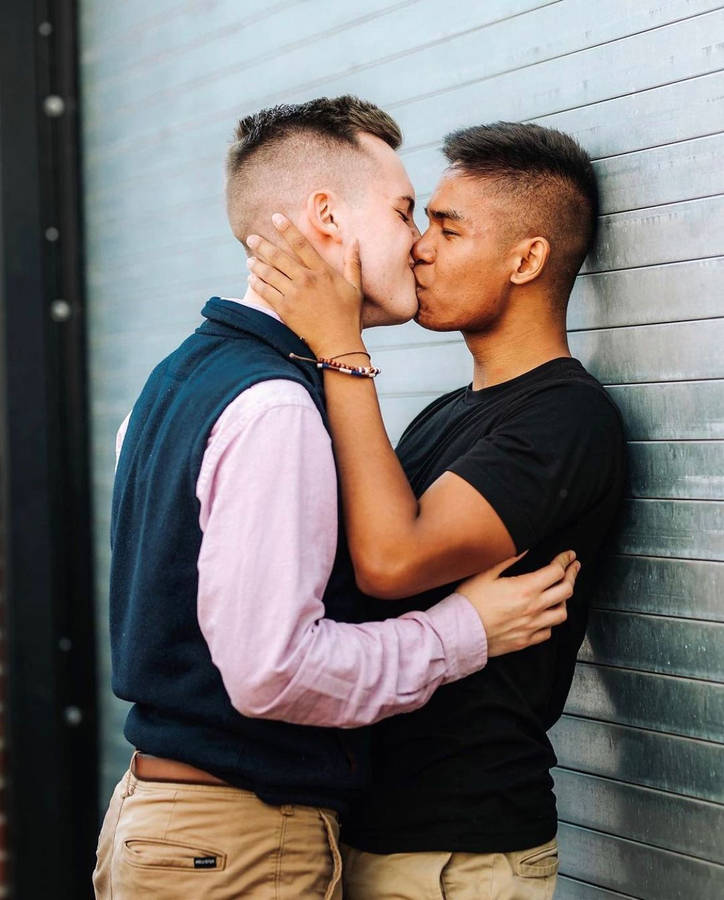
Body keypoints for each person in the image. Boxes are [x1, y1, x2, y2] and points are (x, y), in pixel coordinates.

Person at [92, 99, 578, 900]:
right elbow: (272, 671)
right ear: (327, 217)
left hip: (193, 829)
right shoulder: (274, 406)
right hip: (237, 842)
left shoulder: (178, 379)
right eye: (402, 210)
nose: (415, 241)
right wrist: (463, 631)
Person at [247, 120, 627, 899]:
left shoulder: (565, 419)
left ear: (526, 260)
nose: (418, 248)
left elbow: (392, 560)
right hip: (377, 834)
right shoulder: (446, 414)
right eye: (422, 223)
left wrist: (340, 345)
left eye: (448, 230)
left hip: (458, 850)